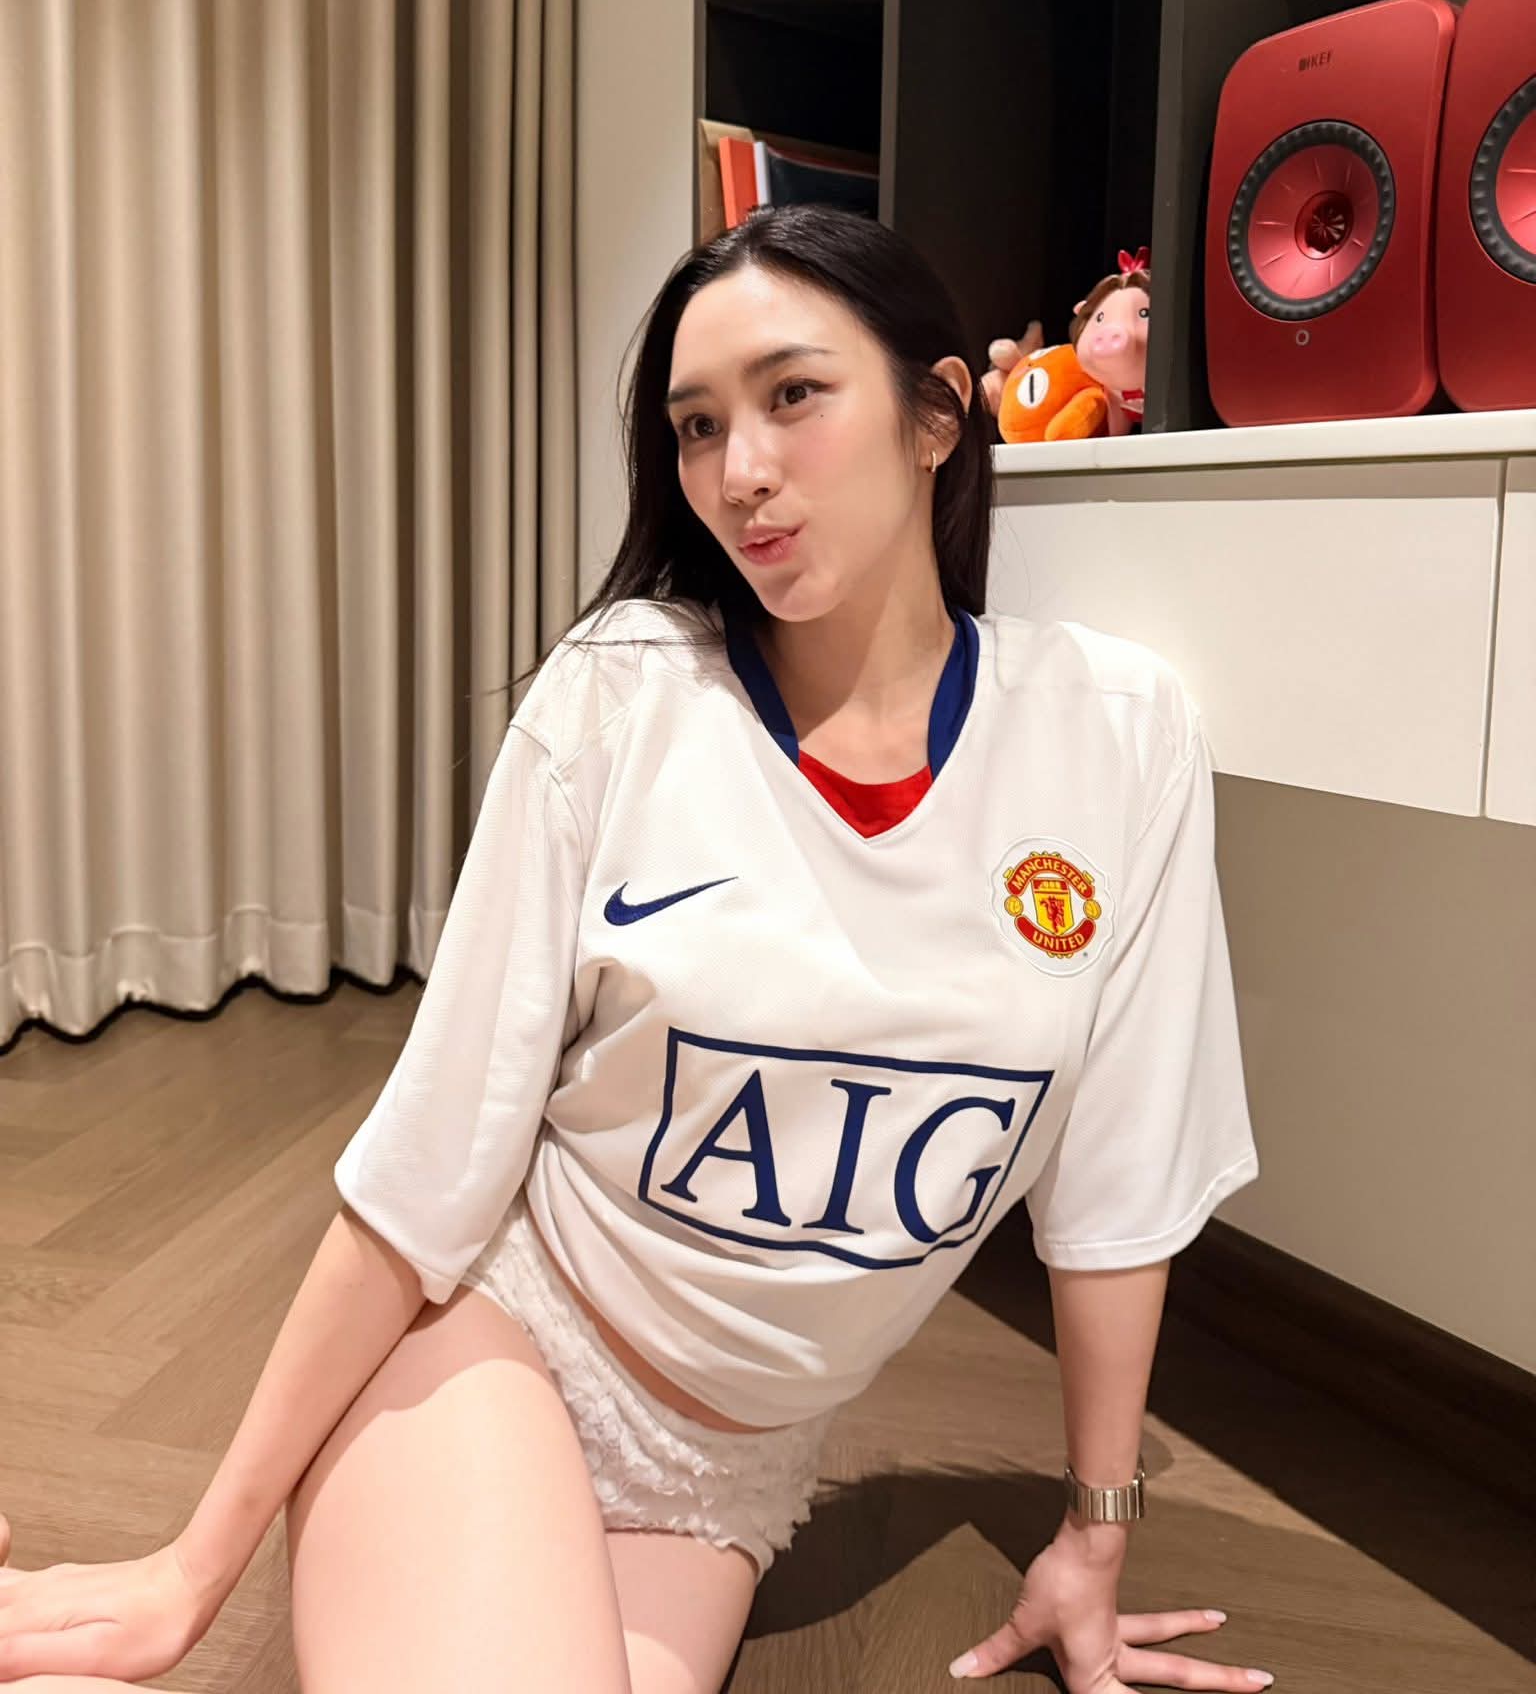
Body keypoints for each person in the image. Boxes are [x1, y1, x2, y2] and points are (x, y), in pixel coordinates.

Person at [0, 206, 1272, 1694]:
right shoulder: (625, 692)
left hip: (726, 1478)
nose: (740, 472)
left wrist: (1094, 1541)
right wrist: (188, 1573)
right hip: (497, 1347)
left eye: (794, 395)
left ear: (938, 413)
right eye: (697, 425)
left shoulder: (1117, 733)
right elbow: (432, 1160)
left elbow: (1116, 1185)